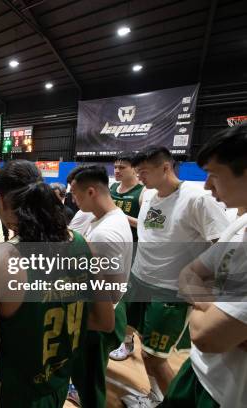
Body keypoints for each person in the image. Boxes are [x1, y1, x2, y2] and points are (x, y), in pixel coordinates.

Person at [0, 160, 114, 407]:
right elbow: (105, 322)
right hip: (57, 387)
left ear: (0, 201)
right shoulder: (84, 244)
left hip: (10, 393)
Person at [118, 146, 230, 407]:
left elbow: (223, 246)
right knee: (142, 344)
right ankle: (154, 396)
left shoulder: (197, 198)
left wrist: (205, 290)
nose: (140, 176)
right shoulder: (150, 196)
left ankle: (170, 402)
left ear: (165, 167)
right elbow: (152, 231)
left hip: (169, 291)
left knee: (154, 358)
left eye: (143, 171)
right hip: (140, 281)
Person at [161, 125, 247, 408]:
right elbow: (189, 273)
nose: (208, 185)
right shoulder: (239, 223)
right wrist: (214, 307)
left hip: (228, 393)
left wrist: (210, 317)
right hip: (200, 370)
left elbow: (206, 336)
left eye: (214, 175)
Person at [66, 165, 133, 408]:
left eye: (75, 194)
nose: (72, 200)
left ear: (91, 191)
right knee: (88, 378)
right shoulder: (108, 218)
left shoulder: (106, 233)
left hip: (98, 319)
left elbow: (111, 290)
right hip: (108, 311)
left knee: (90, 386)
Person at [108, 152, 146, 362]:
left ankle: (128, 340)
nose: (117, 170)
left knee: (127, 297)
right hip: (113, 249)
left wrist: (120, 216)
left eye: (122, 167)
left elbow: (146, 226)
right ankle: (113, 333)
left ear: (134, 169)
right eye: (115, 167)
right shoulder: (112, 189)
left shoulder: (143, 193)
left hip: (133, 251)